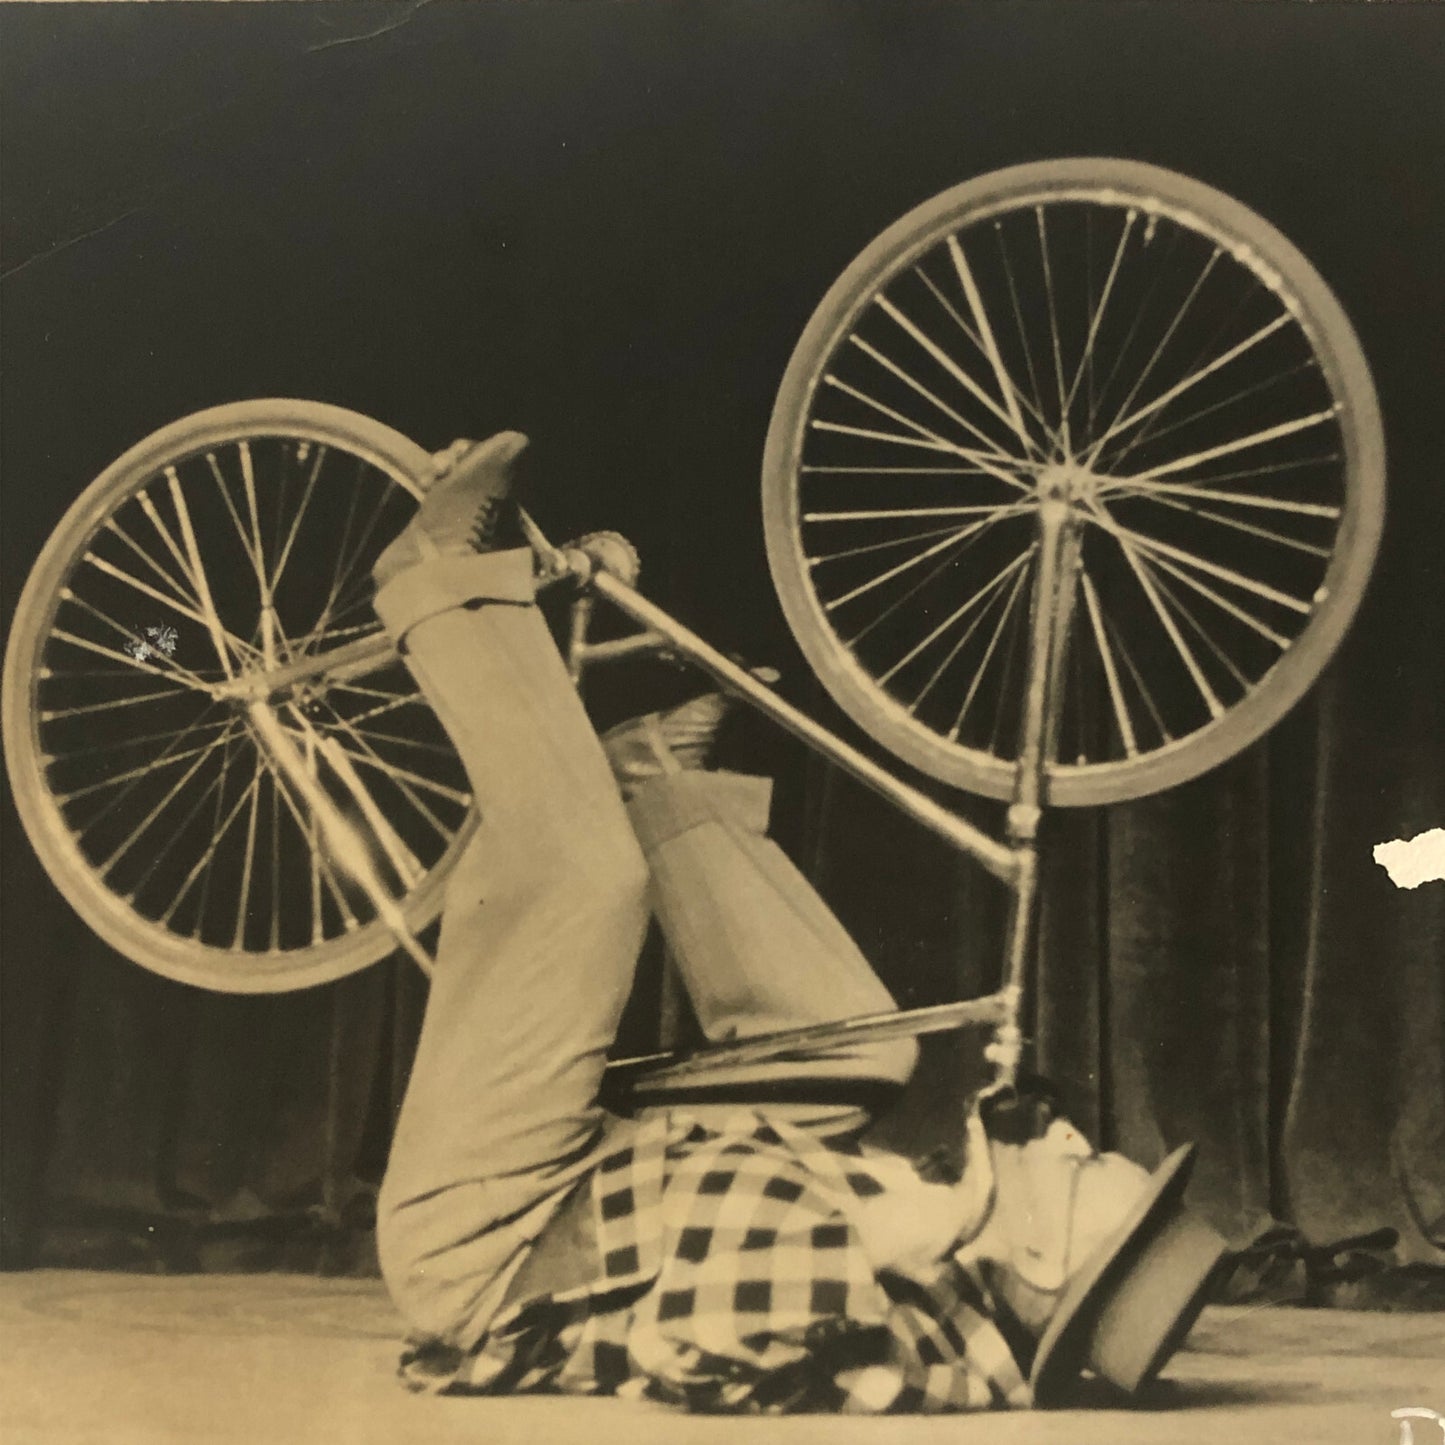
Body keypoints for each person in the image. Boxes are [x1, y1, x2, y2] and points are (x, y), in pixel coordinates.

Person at [369, 432, 1227, 1415]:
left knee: (589, 881)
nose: (1065, 1135)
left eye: (1076, 1165)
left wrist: (870, 1245)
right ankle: (658, 788)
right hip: (591, 1161)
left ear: (1036, 1253)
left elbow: (685, 1354)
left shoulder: (869, 1295)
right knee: (864, 1056)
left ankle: (438, 590)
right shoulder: (927, 1265)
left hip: (483, 1228)